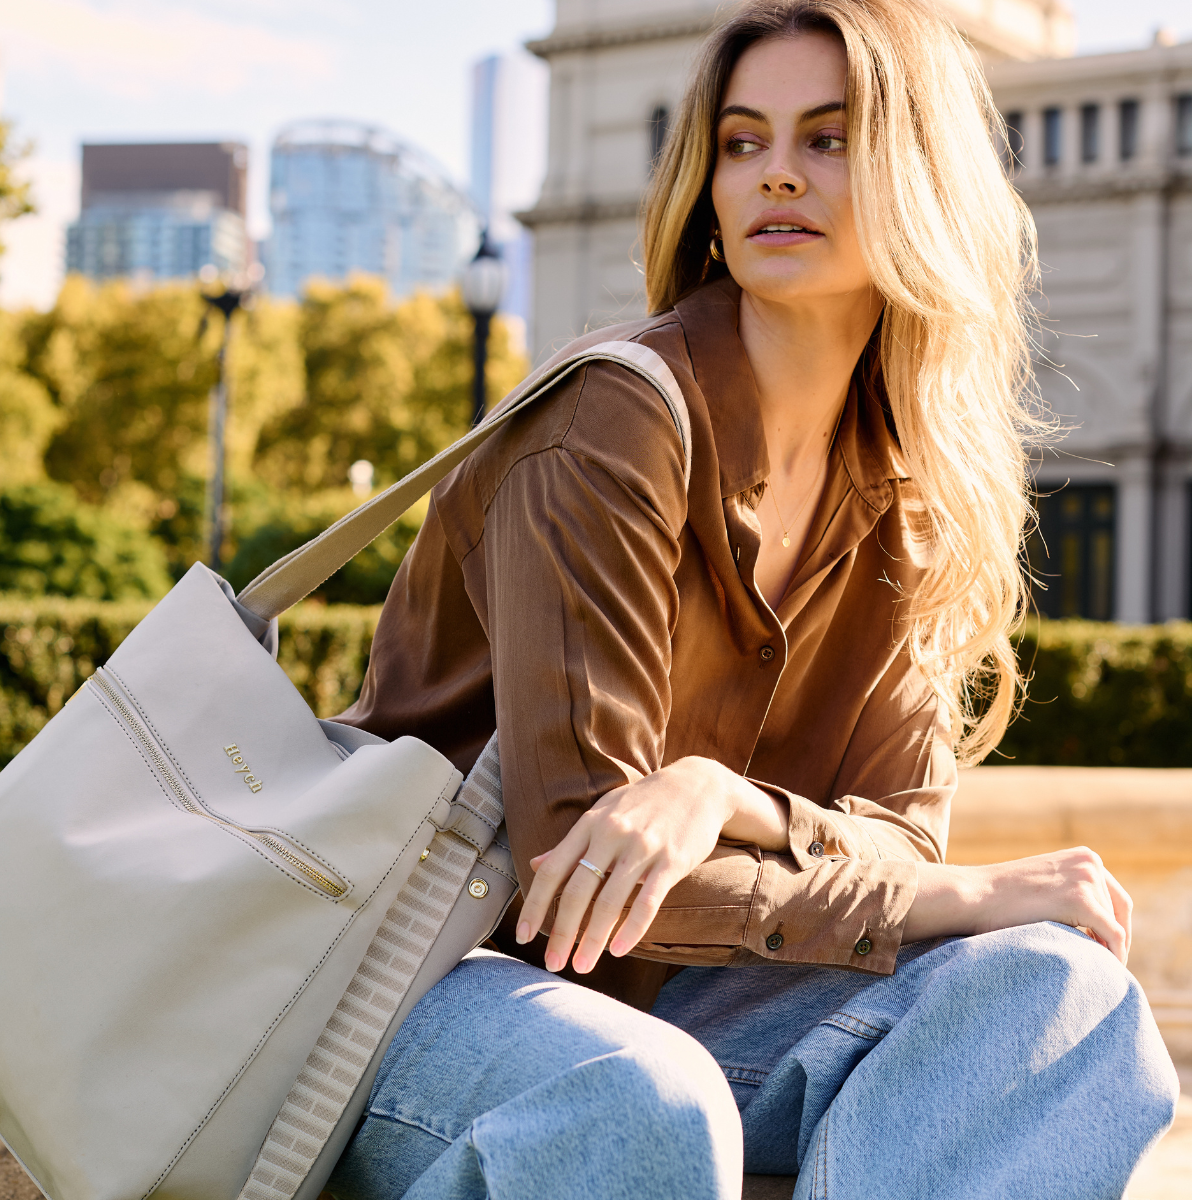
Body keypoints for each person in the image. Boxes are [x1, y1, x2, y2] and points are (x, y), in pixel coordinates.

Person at [328, 2, 1179, 1196]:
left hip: (689, 1003)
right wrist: (963, 891)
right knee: (642, 1103)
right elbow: (583, 871)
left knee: (1069, 1003)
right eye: (743, 141)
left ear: (921, 174)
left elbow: (895, 837)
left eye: (829, 139)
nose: (778, 170)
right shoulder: (613, 423)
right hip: (440, 991)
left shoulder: (912, 491)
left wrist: (727, 799)